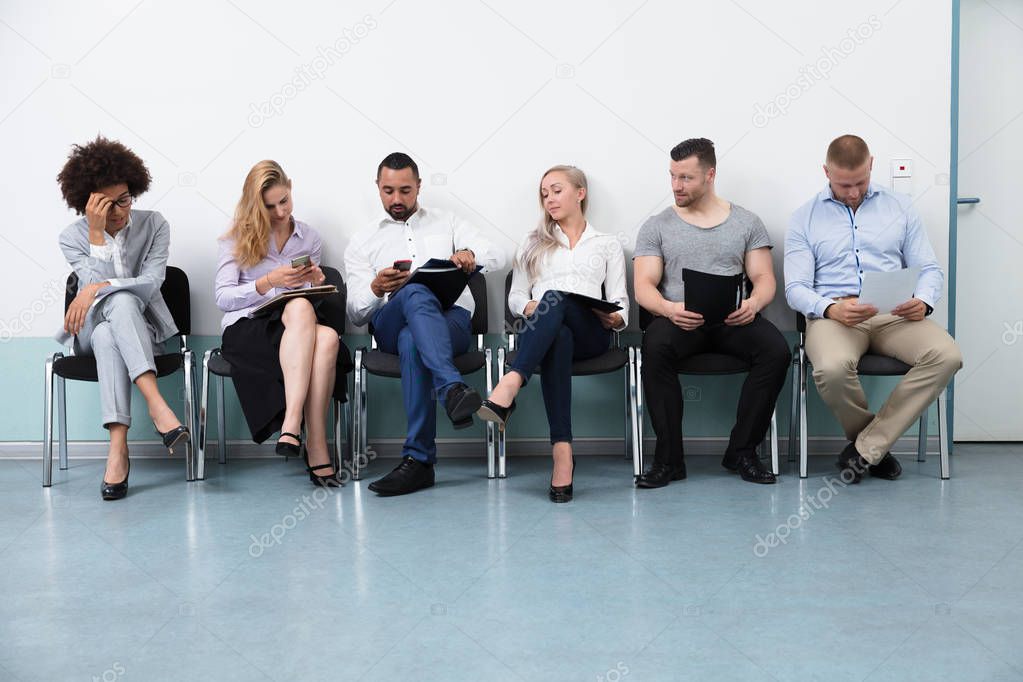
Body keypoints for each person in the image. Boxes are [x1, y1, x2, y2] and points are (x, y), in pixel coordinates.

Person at [784, 134, 963, 482]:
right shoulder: (804, 218)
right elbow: (796, 289)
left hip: (894, 313)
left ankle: (864, 450)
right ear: (826, 172)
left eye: (860, 182)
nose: (852, 192)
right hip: (835, 315)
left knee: (947, 355)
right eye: (843, 184)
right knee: (833, 368)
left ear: (871, 166)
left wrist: (923, 301)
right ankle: (875, 449)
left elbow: (929, 268)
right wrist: (830, 309)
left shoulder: (901, 207)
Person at [345, 152, 505, 496]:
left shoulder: (448, 222)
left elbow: (498, 254)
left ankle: (419, 463)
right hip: (389, 320)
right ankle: (451, 389)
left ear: (419, 186)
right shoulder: (362, 241)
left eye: (405, 190)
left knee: (412, 340)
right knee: (415, 292)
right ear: (378, 187)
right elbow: (356, 314)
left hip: (453, 322)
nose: (397, 199)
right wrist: (375, 288)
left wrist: (470, 257)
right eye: (388, 191)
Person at [633, 138, 790, 488]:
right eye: (672, 176)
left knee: (776, 351)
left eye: (686, 178)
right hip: (679, 320)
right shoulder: (656, 226)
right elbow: (643, 285)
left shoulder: (746, 222)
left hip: (734, 320)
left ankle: (743, 452)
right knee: (655, 348)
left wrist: (754, 303)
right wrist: (669, 309)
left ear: (710, 175)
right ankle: (668, 460)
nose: (676, 185)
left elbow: (764, 278)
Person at [478, 165, 628, 503]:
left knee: (555, 297)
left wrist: (615, 319)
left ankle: (511, 383)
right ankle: (563, 455)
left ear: (580, 193)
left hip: (592, 335)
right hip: (547, 334)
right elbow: (516, 297)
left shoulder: (606, 244)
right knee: (557, 331)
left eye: (557, 190)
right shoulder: (533, 243)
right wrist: (529, 307)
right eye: (544, 194)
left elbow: (622, 303)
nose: (549, 199)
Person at [56, 136, 191, 501]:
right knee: (112, 313)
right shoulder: (72, 237)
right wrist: (97, 235)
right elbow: (100, 291)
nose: (118, 210)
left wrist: (94, 288)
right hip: (85, 330)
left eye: (124, 199)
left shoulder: (155, 225)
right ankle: (157, 405)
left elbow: (151, 283)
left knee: (115, 321)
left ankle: (118, 450)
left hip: (143, 330)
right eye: (105, 203)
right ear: (87, 203)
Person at [215, 160, 348, 487]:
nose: (279, 212)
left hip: (293, 326)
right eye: (269, 205)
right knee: (315, 323)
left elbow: (310, 295)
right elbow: (223, 298)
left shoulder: (309, 238)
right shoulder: (236, 238)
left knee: (325, 332)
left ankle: (301, 434)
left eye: (284, 201)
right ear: (255, 204)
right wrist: (267, 282)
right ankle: (308, 438)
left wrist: (314, 281)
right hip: (246, 327)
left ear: (291, 189)